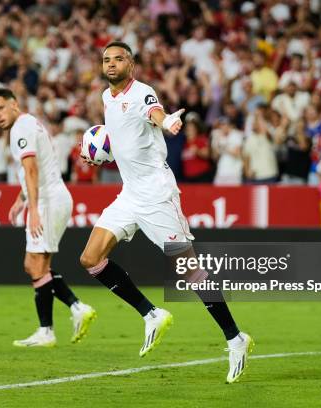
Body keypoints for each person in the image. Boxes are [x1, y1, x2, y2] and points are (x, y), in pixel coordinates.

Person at [79, 42, 252, 383]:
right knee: (90, 258)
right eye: (106, 60)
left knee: (189, 272)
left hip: (157, 194)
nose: (111, 64)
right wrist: (101, 155)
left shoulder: (143, 92)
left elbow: (154, 112)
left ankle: (236, 338)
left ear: (132, 64)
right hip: (129, 193)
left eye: (119, 59)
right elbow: (128, 140)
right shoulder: (106, 97)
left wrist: (167, 121)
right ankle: (152, 314)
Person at [0, 88, 96, 347]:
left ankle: (59, 321)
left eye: (1, 108)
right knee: (35, 266)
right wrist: (20, 200)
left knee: (35, 266)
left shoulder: (20, 129)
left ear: (14, 104)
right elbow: (37, 171)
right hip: (52, 198)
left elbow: (32, 168)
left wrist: (33, 209)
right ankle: (65, 317)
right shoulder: (29, 123)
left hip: (47, 203)